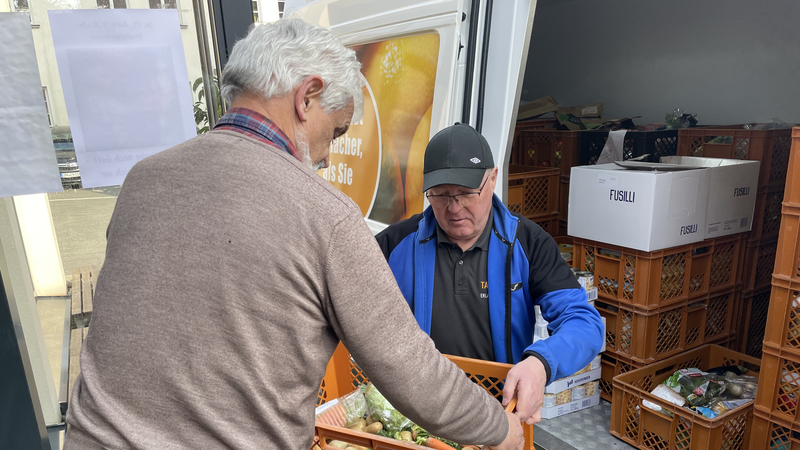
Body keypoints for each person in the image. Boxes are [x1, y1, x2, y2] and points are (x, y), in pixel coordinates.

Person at [64, 20, 524, 450]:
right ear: (307, 97)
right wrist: (499, 427)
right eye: (336, 130)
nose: (327, 155)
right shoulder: (324, 215)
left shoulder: (144, 178)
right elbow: (410, 370)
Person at [375, 123, 605, 425]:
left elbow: (584, 323)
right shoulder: (395, 245)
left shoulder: (528, 243)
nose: (453, 208)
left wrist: (541, 363)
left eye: (466, 193)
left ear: (492, 179)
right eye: (440, 195)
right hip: (414, 415)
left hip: (497, 416)